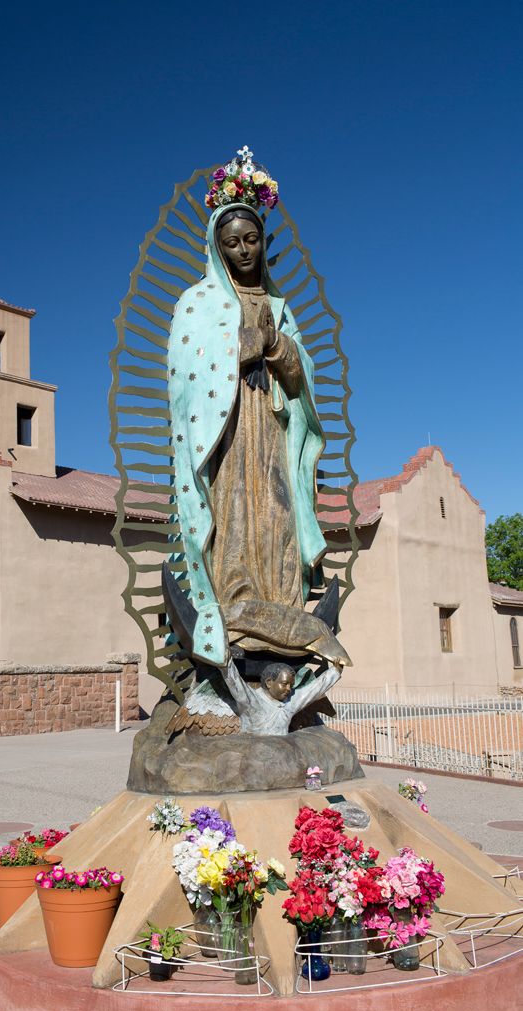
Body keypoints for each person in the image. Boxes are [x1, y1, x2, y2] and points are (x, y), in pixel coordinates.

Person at [167, 153, 349, 673]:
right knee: (232, 519)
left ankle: (284, 613)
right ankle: (234, 616)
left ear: (263, 244)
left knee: (277, 514)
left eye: (252, 240)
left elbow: (301, 382)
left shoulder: (280, 306)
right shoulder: (196, 303)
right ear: (216, 247)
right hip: (223, 438)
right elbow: (183, 376)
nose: (243, 250)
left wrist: (278, 347)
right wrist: (235, 352)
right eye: (232, 242)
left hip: (270, 431)